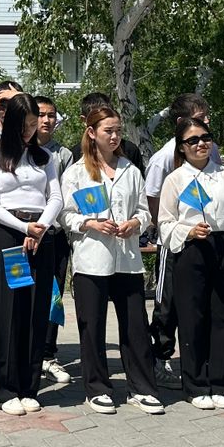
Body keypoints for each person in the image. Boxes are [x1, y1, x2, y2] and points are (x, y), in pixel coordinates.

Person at [63, 106, 162, 414]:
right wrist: (90, 223)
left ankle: (141, 387)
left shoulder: (130, 169)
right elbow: (65, 215)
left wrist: (136, 223)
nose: (115, 136)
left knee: (135, 325)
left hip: (127, 258)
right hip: (92, 258)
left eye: (118, 130)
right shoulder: (77, 172)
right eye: (109, 131)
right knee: (92, 325)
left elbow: (144, 211)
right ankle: (97, 388)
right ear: (92, 133)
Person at [156, 115, 224, 410]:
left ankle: (221, 382)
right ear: (181, 147)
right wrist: (188, 231)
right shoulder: (175, 179)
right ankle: (196, 384)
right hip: (192, 250)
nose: (201, 144)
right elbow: (164, 222)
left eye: (205, 138)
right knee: (192, 318)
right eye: (193, 140)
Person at [0, 94, 63, 414]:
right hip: (10, 236)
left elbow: (55, 197)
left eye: (34, 124)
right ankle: (6, 388)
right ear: (13, 123)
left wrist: (40, 228)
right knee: (8, 311)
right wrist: (23, 228)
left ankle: (30, 385)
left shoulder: (45, 157)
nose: (31, 131)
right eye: (26, 124)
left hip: (41, 237)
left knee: (36, 310)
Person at [144, 93, 216, 380]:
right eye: (200, 118)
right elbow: (153, 199)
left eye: (207, 117)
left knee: (200, 302)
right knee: (168, 303)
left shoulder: (212, 150)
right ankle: (160, 356)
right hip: (174, 244)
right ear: (180, 123)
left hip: (206, 240)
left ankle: (198, 358)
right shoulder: (164, 158)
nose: (206, 122)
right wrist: (168, 230)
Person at [34, 94, 74, 385]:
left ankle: (48, 354)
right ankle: (26, 351)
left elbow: (66, 197)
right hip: (24, 234)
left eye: (51, 115)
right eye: (41, 115)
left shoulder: (64, 155)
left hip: (55, 236)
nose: (47, 120)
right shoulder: (18, 151)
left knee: (54, 294)